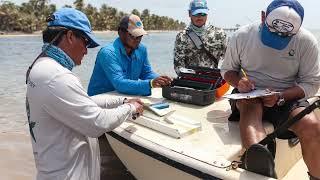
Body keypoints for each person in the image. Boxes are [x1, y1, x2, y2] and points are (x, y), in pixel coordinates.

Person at [25, 8, 144, 180]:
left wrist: (123, 100)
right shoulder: (58, 77)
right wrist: (130, 108)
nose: (87, 51)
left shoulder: (42, 68)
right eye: (86, 42)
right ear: (70, 36)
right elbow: (97, 123)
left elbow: (83, 103)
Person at [220, 0, 320, 179]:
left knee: (312, 126)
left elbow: (311, 84)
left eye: (284, 37)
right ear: (263, 16)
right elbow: (227, 70)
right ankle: (261, 165)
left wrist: (281, 96)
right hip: (249, 94)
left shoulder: (307, 43)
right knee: (251, 107)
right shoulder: (242, 35)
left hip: (287, 95)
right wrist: (239, 81)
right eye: (272, 33)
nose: (277, 39)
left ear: (297, 30)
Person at [87, 14, 172, 96]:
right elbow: (119, 83)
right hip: (99, 99)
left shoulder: (142, 49)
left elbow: (146, 73)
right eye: (133, 35)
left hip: (122, 97)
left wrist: (162, 80)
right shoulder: (108, 53)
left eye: (140, 36)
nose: (137, 39)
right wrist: (150, 84)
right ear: (120, 32)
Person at [173, 0, 227, 74]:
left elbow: (229, 60)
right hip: (191, 79)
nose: (199, 17)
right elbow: (178, 65)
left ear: (207, 13)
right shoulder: (182, 36)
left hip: (214, 78)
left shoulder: (220, 34)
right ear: (189, 13)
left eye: (203, 14)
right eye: (196, 14)